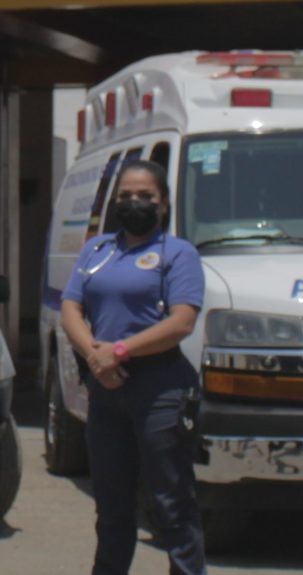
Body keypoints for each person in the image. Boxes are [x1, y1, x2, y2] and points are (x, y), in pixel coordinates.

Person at [61, 160, 207, 575]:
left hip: (159, 388)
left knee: (170, 503)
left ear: (163, 203)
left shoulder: (178, 253)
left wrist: (119, 352)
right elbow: (71, 307)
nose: (134, 203)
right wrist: (96, 354)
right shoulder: (97, 250)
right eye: (125, 196)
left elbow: (181, 322)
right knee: (111, 506)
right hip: (106, 387)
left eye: (145, 196)